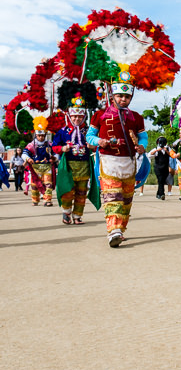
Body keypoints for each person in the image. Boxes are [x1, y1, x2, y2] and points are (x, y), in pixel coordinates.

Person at [86, 71, 147, 247]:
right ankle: (113, 231)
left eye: (127, 97)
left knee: (126, 201)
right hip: (108, 163)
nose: (123, 100)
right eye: (119, 96)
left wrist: (142, 145)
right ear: (112, 95)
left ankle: (120, 229)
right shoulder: (100, 115)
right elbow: (89, 136)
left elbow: (143, 137)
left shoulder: (136, 117)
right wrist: (100, 141)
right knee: (113, 198)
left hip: (129, 163)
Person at [52, 90, 96, 225]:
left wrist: (92, 146)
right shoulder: (63, 131)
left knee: (82, 192)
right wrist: (62, 149)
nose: (77, 119)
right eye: (74, 116)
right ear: (70, 116)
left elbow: (96, 145)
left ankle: (77, 215)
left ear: (84, 117)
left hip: (84, 166)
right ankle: (66, 213)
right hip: (68, 166)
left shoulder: (89, 131)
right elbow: (54, 147)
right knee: (67, 191)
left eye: (79, 117)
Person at [22, 117, 56, 206]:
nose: (41, 137)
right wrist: (28, 158)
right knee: (35, 185)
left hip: (47, 167)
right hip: (35, 168)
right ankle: (35, 200)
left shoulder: (49, 144)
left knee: (48, 184)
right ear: (36, 135)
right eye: (39, 136)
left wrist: (54, 158)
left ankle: (47, 200)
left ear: (45, 135)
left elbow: (56, 153)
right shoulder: (31, 145)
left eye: (42, 136)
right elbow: (24, 153)